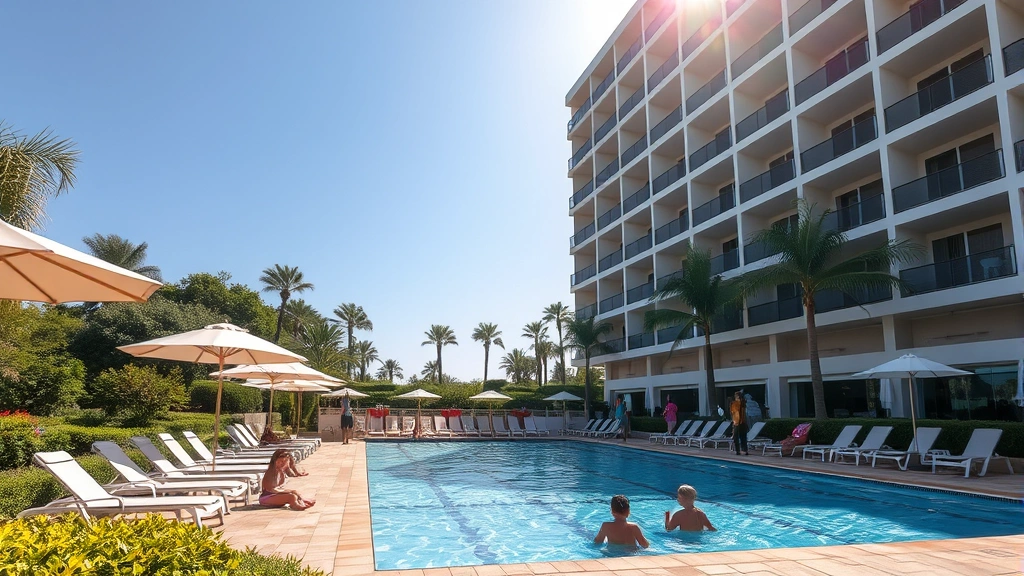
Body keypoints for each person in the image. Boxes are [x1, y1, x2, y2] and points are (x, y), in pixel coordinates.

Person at [730, 391, 748, 456]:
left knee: (737, 437)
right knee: (743, 437)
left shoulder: (736, 403)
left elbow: (735, 413)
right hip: (742, 422)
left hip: (738, 423)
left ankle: (739, 451)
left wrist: (735, 422)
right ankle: (743, 450)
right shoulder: (743, 403)